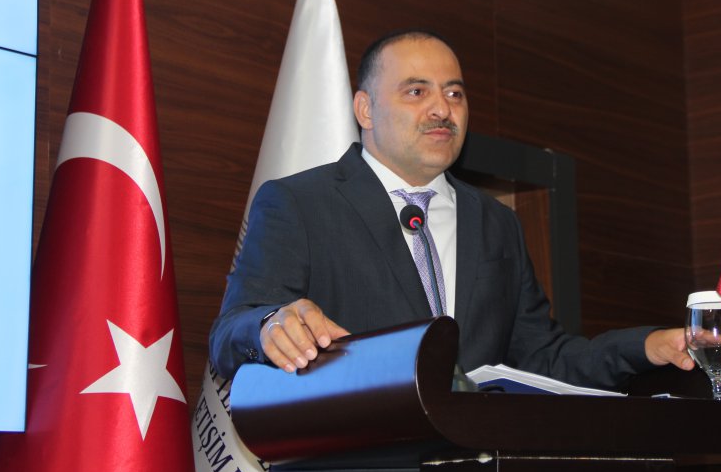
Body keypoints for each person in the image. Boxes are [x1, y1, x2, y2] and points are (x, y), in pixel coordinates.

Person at [210, 28, 693, 391]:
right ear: (365, 110)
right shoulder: (299, 203)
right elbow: (229, 333)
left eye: (455, 93)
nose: (442, 109)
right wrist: (270, 324)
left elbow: (542, 359)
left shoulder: (495, 223)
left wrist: (645, 347)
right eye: (416, 91)